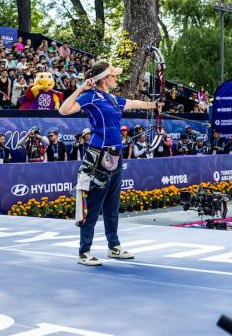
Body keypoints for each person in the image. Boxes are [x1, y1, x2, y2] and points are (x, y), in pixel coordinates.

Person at [59, 60, 163, 266]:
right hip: (99, 156)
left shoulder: (113, 99)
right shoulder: (90, 96)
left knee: (112, 205)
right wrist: (81, 87)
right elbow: (64, 110)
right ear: (104, 78)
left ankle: (113, 246)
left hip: (116, 155)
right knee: (95, 204)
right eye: (113, 76)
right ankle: (84, 251)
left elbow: (135, 103)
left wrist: (155, 105)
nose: (116, 78)